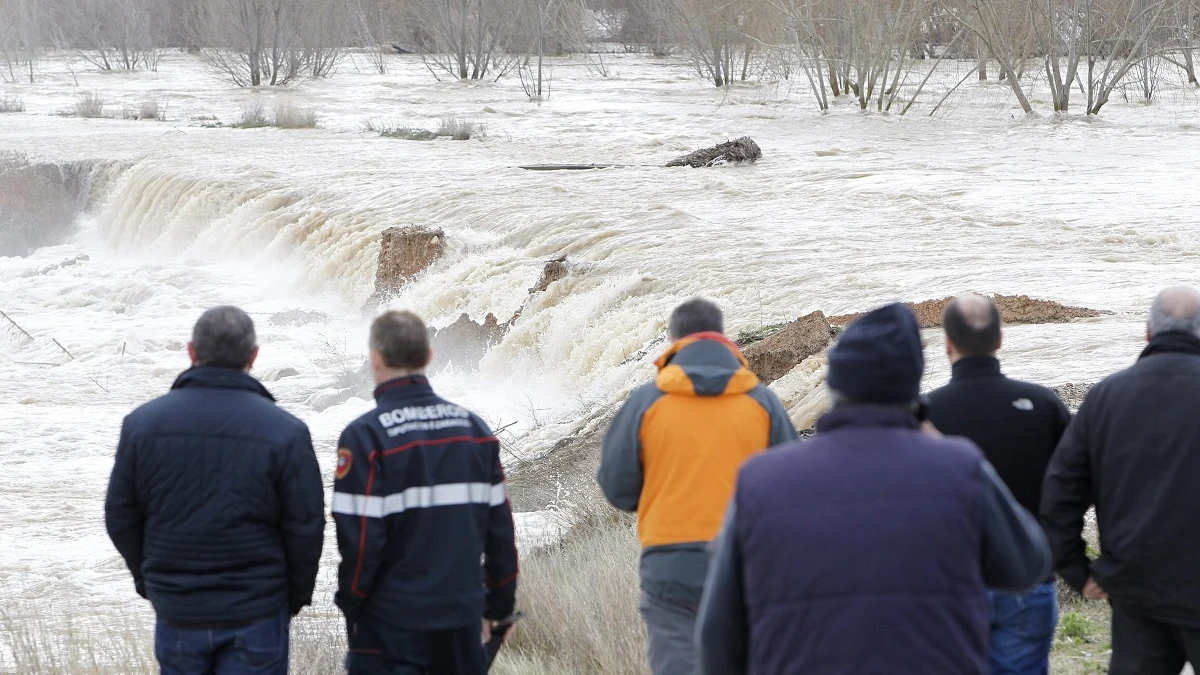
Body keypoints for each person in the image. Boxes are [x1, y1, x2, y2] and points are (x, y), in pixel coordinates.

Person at [697, 302, 1051, 675]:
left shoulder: (759, 481)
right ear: (913, 386)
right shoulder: (959, 469)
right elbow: (1028, 565)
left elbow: (717, 636)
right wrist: (943, 444)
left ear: (833, 383)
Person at [105, 306, 325, 675]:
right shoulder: (286, 431)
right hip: (257, 609)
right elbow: (306, 525)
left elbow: (120, 515)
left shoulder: (142, 425)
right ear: (254, 356)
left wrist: (151, 582)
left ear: (191, 352)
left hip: (178, 610)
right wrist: (292, 598)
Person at [598, 297, 798, 675]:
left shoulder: (646, 402)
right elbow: (794, 489)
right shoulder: (762, 402)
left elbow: (617, 488)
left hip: (671, 567)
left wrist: (663, 494)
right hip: (746, 566)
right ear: (724, 339)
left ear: (674, 341)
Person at [333, 310, 518, 675]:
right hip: (461, 621)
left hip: (390, 624)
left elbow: (360, 542)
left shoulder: (366, 437)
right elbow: (500, 533)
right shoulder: (473, 429)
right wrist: (499, 608)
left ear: (376, 358)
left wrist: (353, 607)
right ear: (429, 357)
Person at [1042, 286, 1200, 675]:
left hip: (1135, 586)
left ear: (1147, 331)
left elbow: (1060, 493)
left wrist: (1079, 572)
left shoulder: (1106, 398)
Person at [926, 294, 1071, 675]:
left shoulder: (925, 415)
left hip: (949, 584)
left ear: (947, 344)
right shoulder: (1042, 403)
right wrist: (1070, 557)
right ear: (1000, 339)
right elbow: (1078, 486)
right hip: (1029, 577)